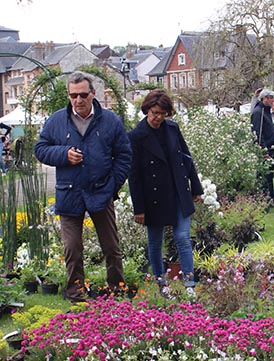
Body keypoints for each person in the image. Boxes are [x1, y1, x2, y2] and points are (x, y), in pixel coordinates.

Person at [34, 71, 132, 303]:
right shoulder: (57, 121)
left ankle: (117, 289)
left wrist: (113, 185)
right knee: (72, 249)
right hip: (69, 193)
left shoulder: (110, 121)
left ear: (93, 94)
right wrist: (63, 154)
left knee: (110, 246)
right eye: (73, 96)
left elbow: (124, 155)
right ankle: (76, 293)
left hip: (101, 191)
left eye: (83, 95)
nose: (78, 100)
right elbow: (40, 149)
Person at [127, 90, 203, 298]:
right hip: (153, 197)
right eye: (154, 112)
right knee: (155, 241)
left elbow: (186, 158)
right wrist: (139, 208)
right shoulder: (135, 136)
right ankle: (162, 283)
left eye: (162, 113)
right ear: (146, 110)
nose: (157, 117)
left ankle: (189, 283)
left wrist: (195, 187)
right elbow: (133, 175)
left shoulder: (172, 128)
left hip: (178, 190)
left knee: (182, 237)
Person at [251, 89, 274, 202]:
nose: (272, 100)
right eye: (270, 98)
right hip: (264, 151)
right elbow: (258, 132)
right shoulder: (259, 112)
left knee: (269, 175)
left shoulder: (265, 111)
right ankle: (263, 200)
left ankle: (269, 198)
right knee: (263, 177)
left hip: (270, 148)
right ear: (264, 98)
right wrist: (263, 151)